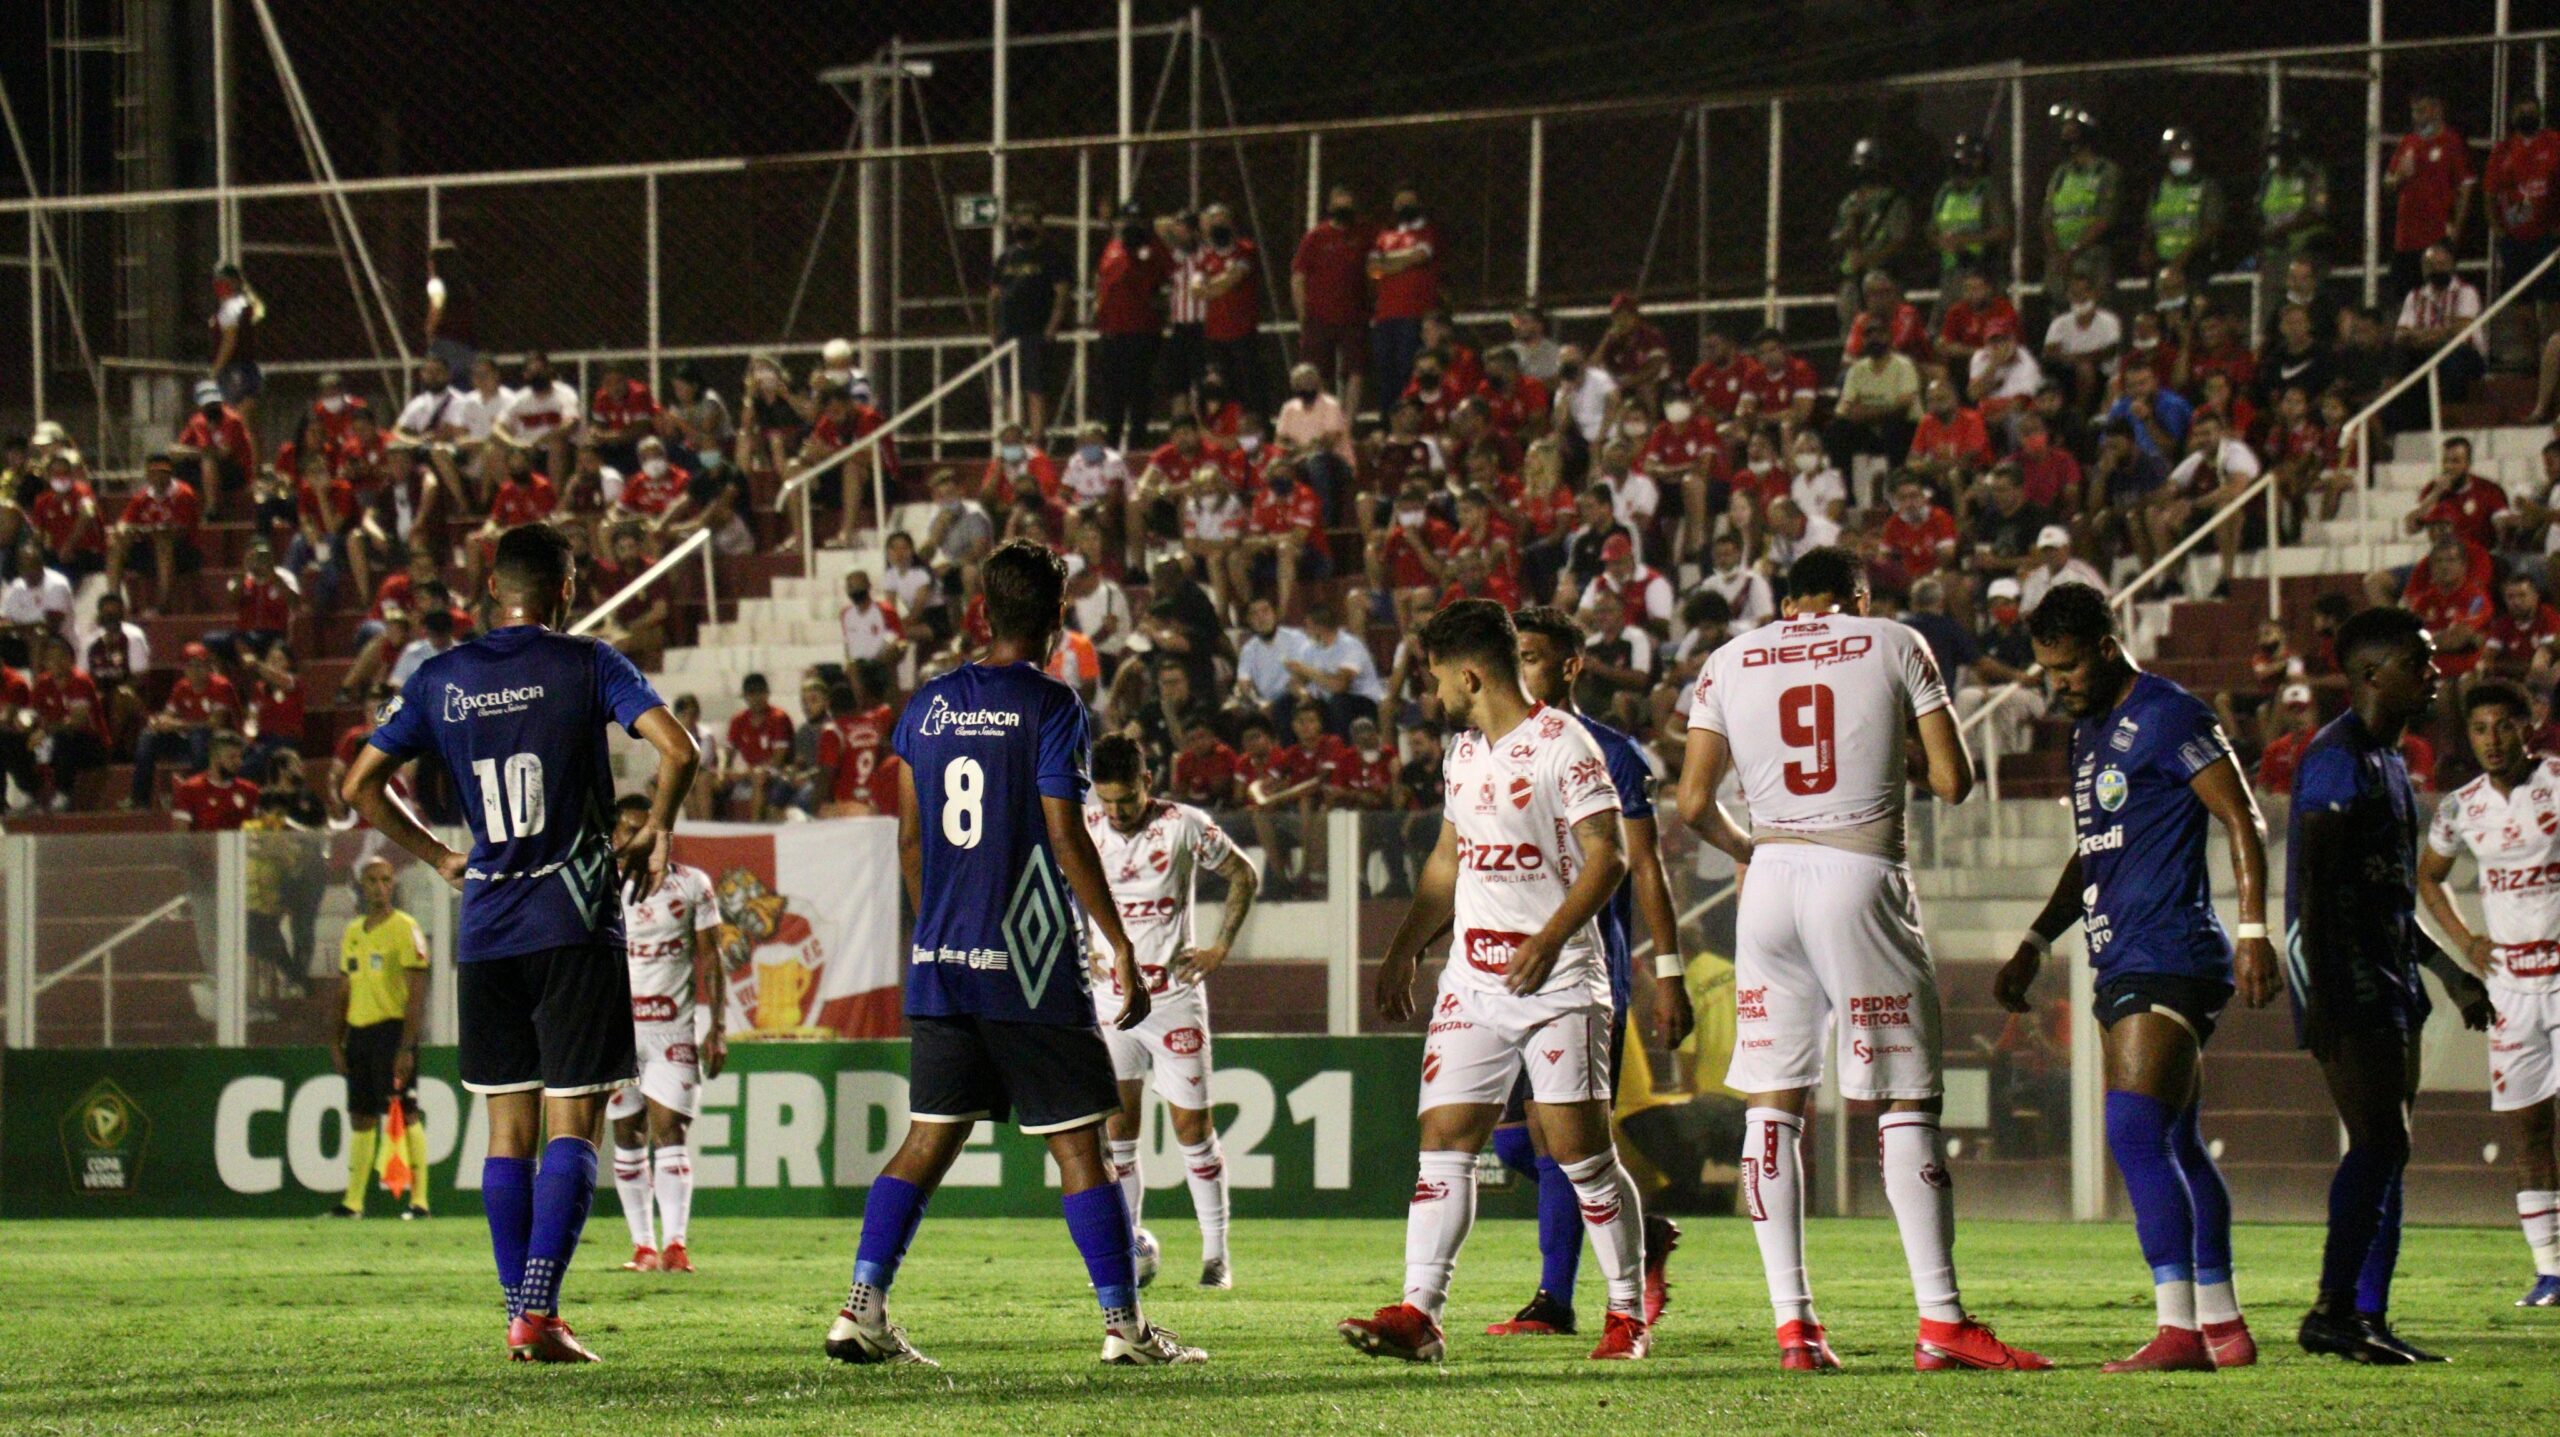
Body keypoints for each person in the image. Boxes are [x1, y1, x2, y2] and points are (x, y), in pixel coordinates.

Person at [823, 540, 1200, 1369]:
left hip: (941, 959)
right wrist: (1122, 945)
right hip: (1027, 965)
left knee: (929, 1136)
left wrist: (944, 928)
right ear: (1060, 611)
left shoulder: (925, 704)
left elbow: (912, 841)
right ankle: (1126, 1327)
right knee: (1080, 1147)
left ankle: (860, 1306)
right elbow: (1066, 834)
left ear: (981, 610)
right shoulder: (1055, 704)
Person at [1678, 545, 2047, 1374]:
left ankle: (1795, 1327)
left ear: (1787, 601)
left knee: (1773, 1103)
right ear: (1858, 595)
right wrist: (1890, 748)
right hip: (1860, 869)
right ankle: (1942, 1321)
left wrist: (1753, 848)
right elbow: (1952, 780)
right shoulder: (1894, 640)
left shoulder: (1730, 657)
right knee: (1906, 1096)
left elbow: (1694, 801)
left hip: (1769, 883)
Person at [341, 522, 701, 1364]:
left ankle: (521, 1311)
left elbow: (358, 782)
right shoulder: (588, 663)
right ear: (566, 589)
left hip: (489, 926)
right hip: (573, 921)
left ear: (491, 590)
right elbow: (679, 750)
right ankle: (537, 1308)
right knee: (575, 1122)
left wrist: (436, 855)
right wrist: (658, 831)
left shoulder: (443, 677)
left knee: (508, 1131)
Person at [1338, 599, 1653, 1365]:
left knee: (1582, 1152)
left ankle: (1627, 1312)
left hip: (1560, 982)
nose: (1433, 694)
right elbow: (1450, 861)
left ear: (1471, 675)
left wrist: (1551, 938)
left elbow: (1609, 856)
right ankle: (1420, 1312)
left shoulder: (1564, 746)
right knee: (1443, 1140)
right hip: (1473, 978)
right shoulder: (1464, 753)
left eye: (1439, 679)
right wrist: (1407, 946)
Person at [1995, 584, 2275, 1371]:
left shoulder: (2169, 713)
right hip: (2122, 950)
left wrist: (2254, 929)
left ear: (2109, 644)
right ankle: (2222, 1324)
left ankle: (2178, 1329)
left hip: (2169, 950)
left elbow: (2242, 816)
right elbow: (2096, 847)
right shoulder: (2087, 735)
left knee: (2131, 1130)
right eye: (2049, 669)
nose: (2061, 682)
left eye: (2072, 664)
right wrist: (2037, 936)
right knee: (2177, 1141)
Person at [1480, 607, 1695, 1342]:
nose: (1523, 670)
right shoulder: (1490, 747)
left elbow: (1645, 868)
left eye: (1535, 657)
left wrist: (1669, 972)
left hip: (1581, 969)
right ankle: (1643, 1229)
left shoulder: (1610, 752)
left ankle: (1554, 1298)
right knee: (1513, 1141)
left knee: (1558, 1138)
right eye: (1517, 656)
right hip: (1503, 973)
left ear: (1570, 665)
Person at [2285, 606, 2488, 1365]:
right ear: (2372, 673)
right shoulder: (2336, 756)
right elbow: (2316, 882)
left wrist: (2450, 975)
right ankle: (2332, 1309)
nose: (2434, 673)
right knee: (2381, 1138)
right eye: (2419, 660)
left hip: (2390, 972)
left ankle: (2367, 1313)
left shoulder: (2395, 764)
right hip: (2348, 977)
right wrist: (2329, 991)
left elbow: (2391, 896)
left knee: (2389, 1147)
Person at [1085, 734, 1261, 1291]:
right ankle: (1126, 1248)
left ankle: (1216, 1257)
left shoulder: (1183, 825)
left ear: (1147, 784)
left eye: (1127, 801)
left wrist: (1219, 948)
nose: (1116, 813)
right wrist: (1078, 945)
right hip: (1111, 1003)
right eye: (1107, 801)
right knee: (1118, 1132)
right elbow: (1050, 888)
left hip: (1173, 1000)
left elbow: (1243, 875)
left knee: (1192, 1128)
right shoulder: (1085, 829)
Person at [606, 794, 727, 1276]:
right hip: (617, 1031)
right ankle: (643, 1246)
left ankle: (676, 1244)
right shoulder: (602, 888)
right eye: (631, 829)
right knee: (626, 1132)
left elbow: (712, 960)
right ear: (615, 837)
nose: (642, 837)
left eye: (649, 828)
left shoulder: (692, 884)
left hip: (673, 1028)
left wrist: (717, 1028)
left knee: (668, 1129)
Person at [327, 857, 433, 1221]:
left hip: (392, 1032)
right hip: (359, 1033)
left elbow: (417, 990)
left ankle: (419, 1202)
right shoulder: (353, 930)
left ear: (394, 885)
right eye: (372, 880)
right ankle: (353, 1203)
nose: (379, 886)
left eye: (386, 879)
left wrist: (406, 1045)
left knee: (404, 1113)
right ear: (361, 884)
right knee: (361, 1115)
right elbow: (345, 989)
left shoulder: (406, 928)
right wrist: (336, 1040)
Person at [991, 201, 1072, 446]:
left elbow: (1062, 293)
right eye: (1017, 222)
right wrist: (993, 329)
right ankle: (1013, 439)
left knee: (1035, 386)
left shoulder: (1051, 255)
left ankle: (1036, 440)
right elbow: (994, 295)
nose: (1020, 227)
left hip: (1035, 329)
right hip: (1008, 330)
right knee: (1009, 388)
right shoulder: (1006, 257)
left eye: (1026, 222)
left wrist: (1051, 327)